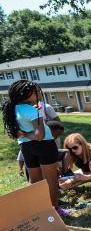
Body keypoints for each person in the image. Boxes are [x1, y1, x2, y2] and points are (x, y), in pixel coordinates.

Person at [1, 80, 68, 215]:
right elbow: (39, 135)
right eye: (35, 92)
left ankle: (37, 210)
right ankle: (54, 210)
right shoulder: (31, 110)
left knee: (34, 181)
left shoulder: (12, 109)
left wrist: (23, 134)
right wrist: (27, 132)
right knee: (51, 180)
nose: (39, 93)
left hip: (26, 147)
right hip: (44, 145)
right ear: (24, 94)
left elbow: (17, 130)